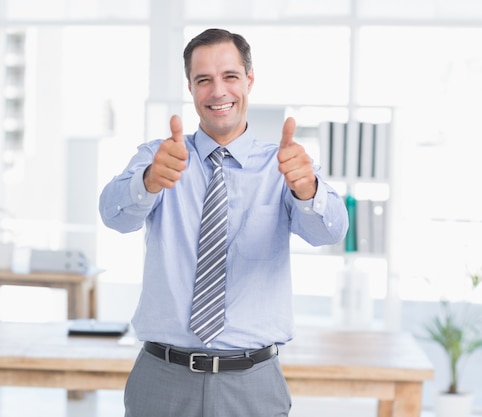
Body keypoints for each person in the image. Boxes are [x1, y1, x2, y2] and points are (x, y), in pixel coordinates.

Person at [99, 28, 348, 417]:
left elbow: (330, 232)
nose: (218, 91)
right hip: (162, 379)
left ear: (249, 80)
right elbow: (113, 216)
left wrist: (308, 189)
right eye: (204, 80)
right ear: (191, 88)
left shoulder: (283, 164)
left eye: (230, 76)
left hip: (252, 384)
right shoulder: (162, 157)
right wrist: (148, 181)